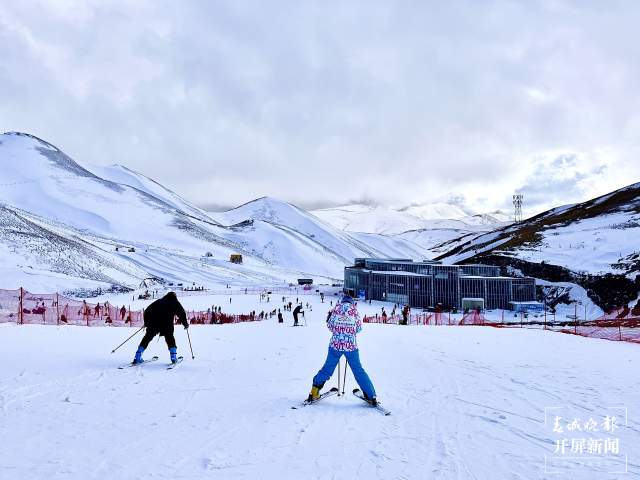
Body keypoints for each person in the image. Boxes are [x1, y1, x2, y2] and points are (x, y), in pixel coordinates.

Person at [307, 292, 377, 405]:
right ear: (351, 302)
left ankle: (314, 391)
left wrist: (338, 328)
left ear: (342, 301)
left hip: (336, 345)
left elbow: (330, 326)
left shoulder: (336, 309)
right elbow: (358, 328)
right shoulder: (354, 310)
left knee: (327, 369)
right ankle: (371, 395)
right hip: (351, 347)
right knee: (358, 370)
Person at [132, 292, 188, 364]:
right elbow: (181, 313)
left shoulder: (159, 301)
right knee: (170, 338)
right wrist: (185, 324)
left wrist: (147, 322)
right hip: (167, 324)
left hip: (154, 324)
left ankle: (138, 356)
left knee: (147, 337)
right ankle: (173, 358)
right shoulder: (175, 302)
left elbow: (147, 311)